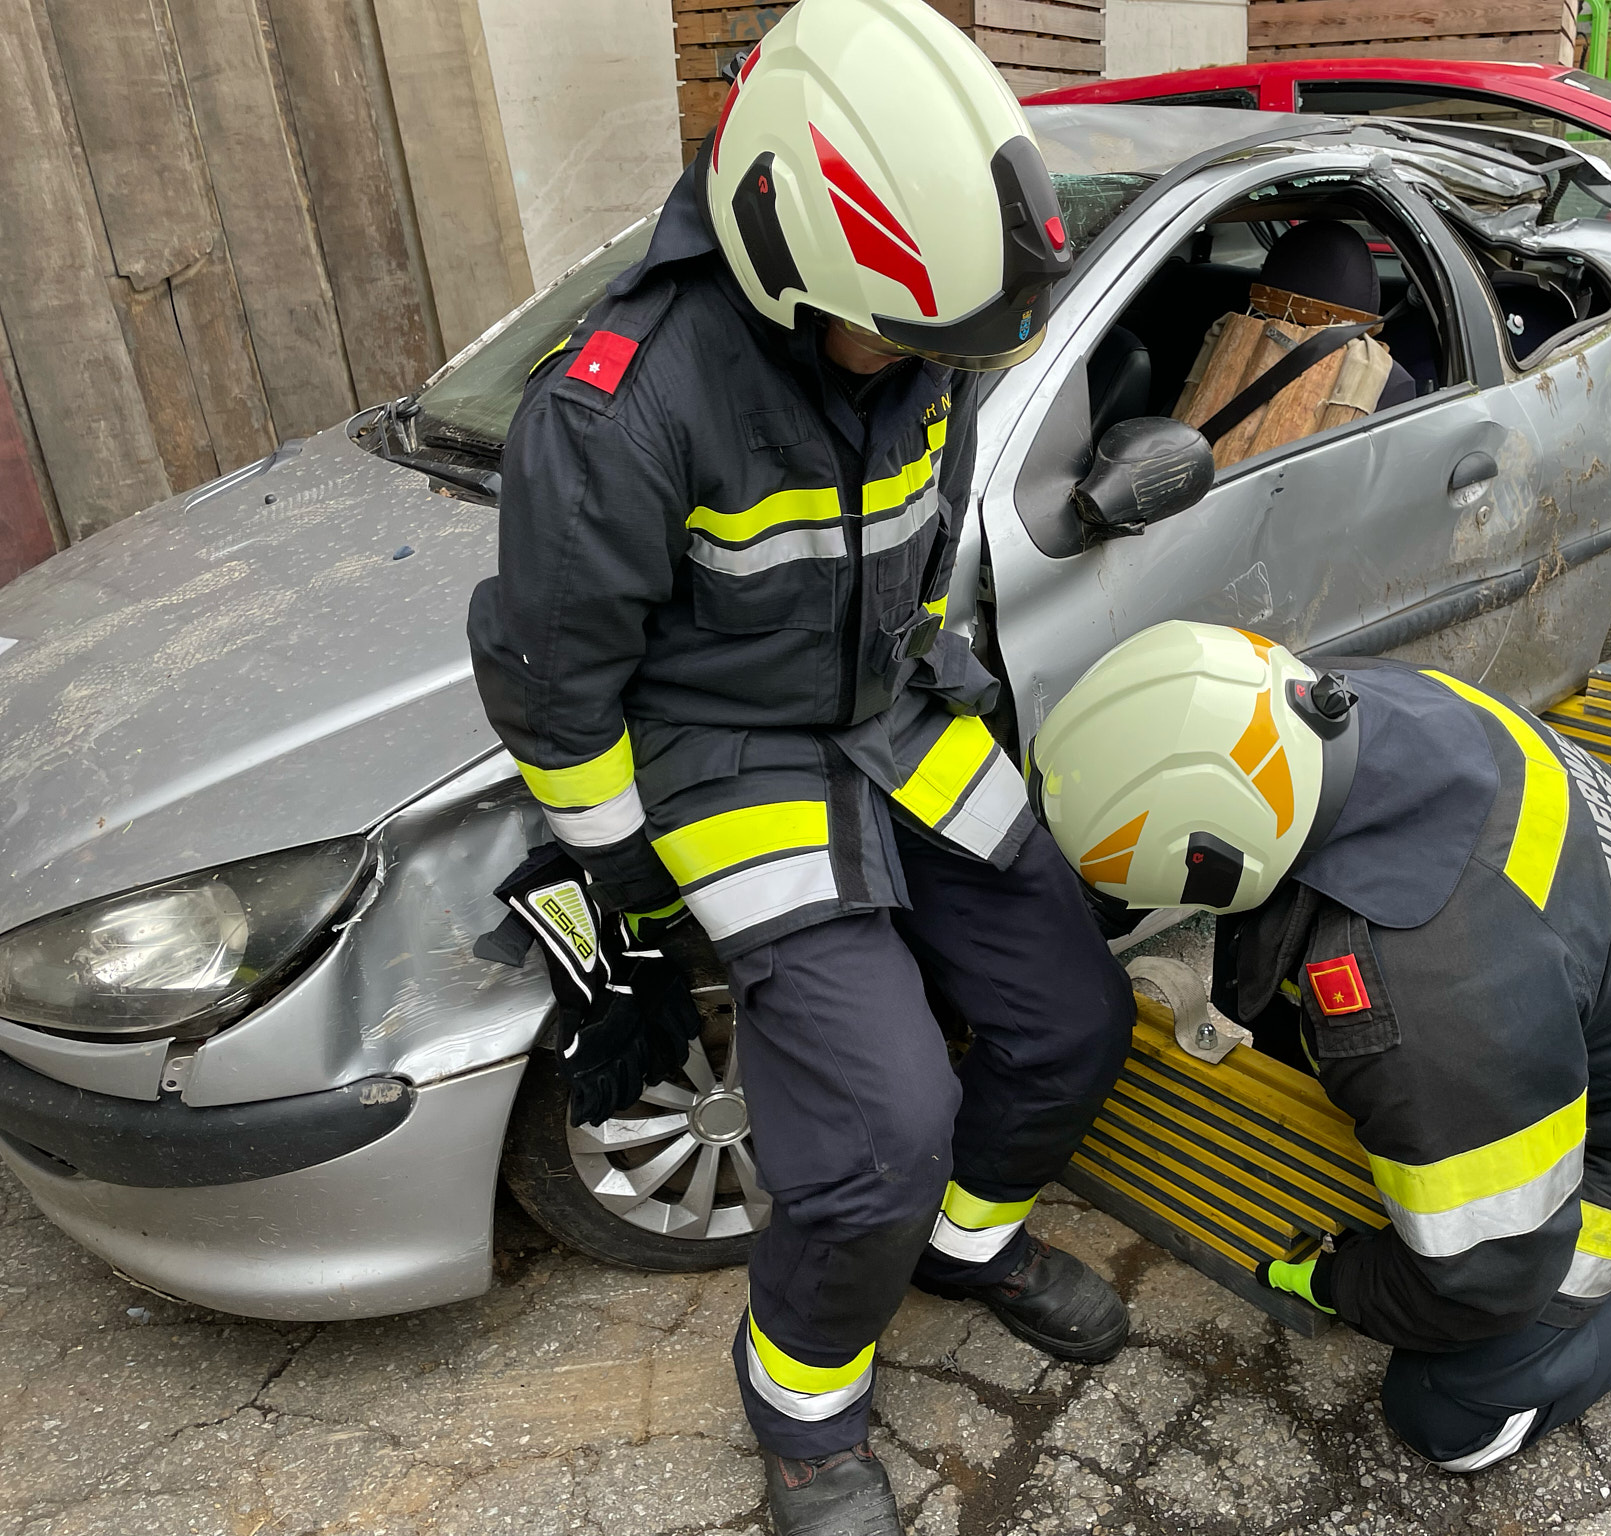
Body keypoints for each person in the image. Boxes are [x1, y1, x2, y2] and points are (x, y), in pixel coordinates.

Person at [466, 3, 1134, 1530]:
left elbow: (925, 559)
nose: (927, 371)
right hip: (733, 764)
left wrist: (971, 703)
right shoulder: (624, 406)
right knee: (880, 1138)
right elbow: (557, 691)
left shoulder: (918, 330)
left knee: (1072, 1017)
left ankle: (968, 1245)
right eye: (902, 341)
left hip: (896, 722)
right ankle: (805, 1403)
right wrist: (625, 895)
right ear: (786, 262)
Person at [1028, 623, 1611, 1471]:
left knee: (1453, 1410)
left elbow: (1484, 1283)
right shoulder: (1334, 707)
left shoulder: (1427, 1002)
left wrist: (1329, 1279)